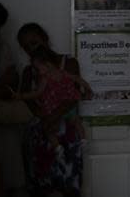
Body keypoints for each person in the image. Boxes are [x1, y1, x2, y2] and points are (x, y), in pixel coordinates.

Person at [17, 22, 86, 197]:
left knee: (69, 183)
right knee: (42, 185)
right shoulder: (28, 71)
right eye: (25, 47)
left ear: (45, 39)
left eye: (33, 43)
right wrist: (43, 116)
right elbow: (28, 101)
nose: (30, 49)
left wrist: (51, 117)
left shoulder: (68, 63)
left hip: (65, 134)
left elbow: (73, 97)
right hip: (40, 134)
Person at [13, 45, 89, 150]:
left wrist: (87, 88)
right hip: (56, 108)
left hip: (61, 106)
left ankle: (78, 141)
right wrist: (22, 96)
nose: (38, 71)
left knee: (72, 123)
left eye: (38, 68)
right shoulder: (53, 76)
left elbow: (37, 93)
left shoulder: (56, 75)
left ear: (47, 64)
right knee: (54, 128)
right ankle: (62, 145)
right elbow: (37, 93)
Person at [0, 0, 26, 197]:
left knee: (11, 176)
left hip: (3, 121)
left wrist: (4, 86)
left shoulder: (2, 46)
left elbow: (12, 83)